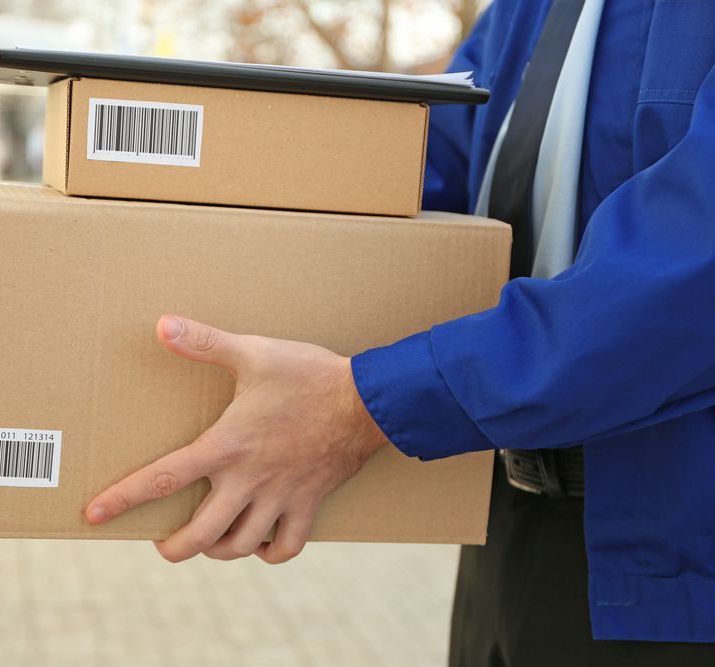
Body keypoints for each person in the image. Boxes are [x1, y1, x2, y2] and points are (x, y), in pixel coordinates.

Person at [85, 0, 715, 661]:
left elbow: (687, 271)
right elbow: (417, 163)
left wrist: (360, 405)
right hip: (509, 528)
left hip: (679, 574)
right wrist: (207, 217)